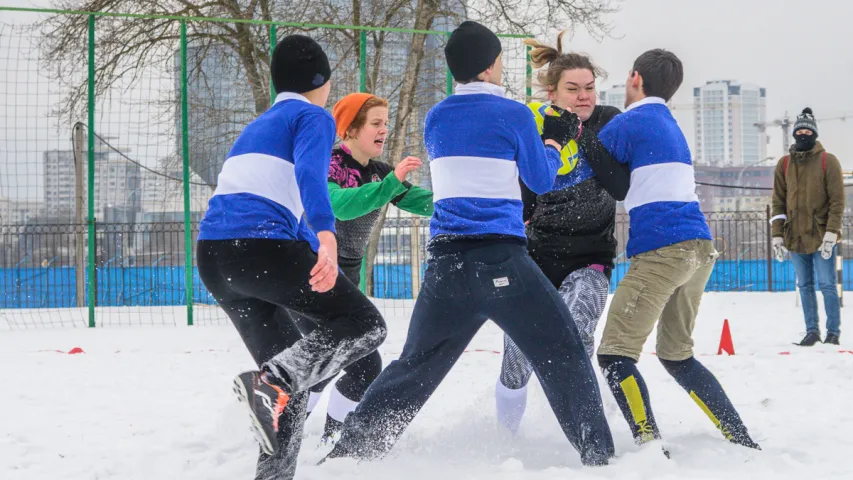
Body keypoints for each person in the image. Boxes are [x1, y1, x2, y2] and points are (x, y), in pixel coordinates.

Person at [324, 20, 615, 467]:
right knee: (563, 352)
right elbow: (540, 178)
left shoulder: (436, 115)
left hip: (445, 264)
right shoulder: (515, 113)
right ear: (494, 64)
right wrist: (554, 139)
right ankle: (599, 457)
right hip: (502, 258)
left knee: (415, 365)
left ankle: (350, 453)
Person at [196, 35, 387, 479]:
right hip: (260, 246)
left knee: (294, 387)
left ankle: (274, 469)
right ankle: (272, 382)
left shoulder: (258, 125)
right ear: (321, 81)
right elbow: (308, 177)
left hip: (214, 258)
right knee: (367, 326)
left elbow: (273, 197)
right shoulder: (313, 116)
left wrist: (307, 240)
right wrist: (327, 235)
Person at [595, 49, 760, 451]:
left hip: (662, 250)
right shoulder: (670, 121)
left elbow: (588, 157)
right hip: (699, 249)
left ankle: (649, 442)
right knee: (676, 356)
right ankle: (739, 439)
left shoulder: (629, 121)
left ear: (635, 78)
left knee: (614, 354)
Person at [494, 33, 630, 435]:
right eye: (573, 89)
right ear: (552, 91)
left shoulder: (607, 121)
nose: (584, 96)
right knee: (517, 356)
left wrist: (576, 130)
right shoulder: (534, 126)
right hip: (536, 257)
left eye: (589, 88)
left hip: (590, 255)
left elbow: (618, 185)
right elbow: (524, 194)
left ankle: (587, 433)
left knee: (574, 330)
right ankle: (506, 440)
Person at [293, 92, 433, 444]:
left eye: (385, 123)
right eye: (376, 123)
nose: (384, 130)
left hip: (347, 279)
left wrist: (468, 197)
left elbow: (424, 203)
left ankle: (327, 440)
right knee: (341, 361)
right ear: (351, 128)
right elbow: (340, 207)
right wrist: (391, 183)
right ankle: (290, 431)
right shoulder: (329, 164)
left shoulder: (379, 172)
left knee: (352, 365)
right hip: (311, 275)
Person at [771, 107, 845, 346]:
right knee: (804, 285)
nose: (803, 134)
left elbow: (837, 201)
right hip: (795, 236)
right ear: (794, 134)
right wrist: (777, 236)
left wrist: (832, 233)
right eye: (799, 130)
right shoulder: (784, 164)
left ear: (814, 133)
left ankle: (833, 332)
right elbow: (778, 202)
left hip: (822, 235)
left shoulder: (828, 161)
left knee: (827, 285)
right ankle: (811, 331)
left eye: (807, 130)